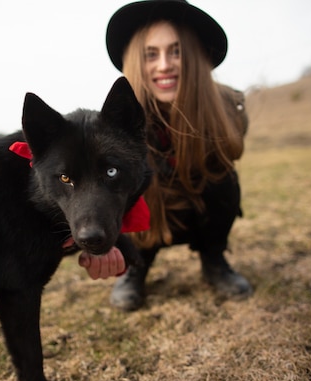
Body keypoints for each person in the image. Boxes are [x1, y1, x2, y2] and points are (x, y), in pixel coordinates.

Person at [79, 0, 252, 311]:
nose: (164, 65)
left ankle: (214, 260)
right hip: (151, 216)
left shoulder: (225, 105)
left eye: (176, 51)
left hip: (198, 210)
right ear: (135, 61)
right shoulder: (116, 121)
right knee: (128, 186)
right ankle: (136, 267)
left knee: (224, 179)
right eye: (151, 54)